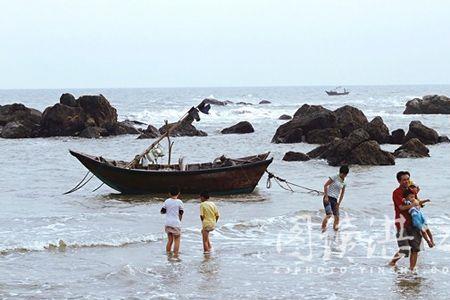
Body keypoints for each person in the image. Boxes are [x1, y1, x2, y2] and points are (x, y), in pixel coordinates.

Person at [389, 171, 423, 271]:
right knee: (404, 248)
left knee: (415, 248)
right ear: (399, 181)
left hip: (414, 222)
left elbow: (418, 205)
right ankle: (392, 262)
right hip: (401, 223)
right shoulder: (396, 192)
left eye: (408, 179)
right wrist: (414, 204)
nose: (406, 181)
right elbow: (402, 207)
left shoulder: (412, 191)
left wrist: (418, 201)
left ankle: (412, 271)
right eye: (404, 180)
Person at [321, 165, 349, 232]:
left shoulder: (344, 181)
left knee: (337, 217)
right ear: (341, 173)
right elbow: (325, 185)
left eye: (345, 175)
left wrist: (338, 203)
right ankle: (323, 229)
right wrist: (326, 196)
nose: (344, 176)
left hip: (335, 200)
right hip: (328, 198)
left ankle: (335, 232)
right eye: (343, 174)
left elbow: (342, 193)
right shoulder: (334, 177)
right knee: (329, 214)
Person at [160, 186, 184, 257]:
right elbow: (181, 213)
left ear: (169, 193)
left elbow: (162, 211)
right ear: (179, 193)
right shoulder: (179, 202)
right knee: (177, 239)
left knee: (170, 240)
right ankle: (175, 255)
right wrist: (180, 221)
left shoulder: (166, 201)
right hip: (176, 223)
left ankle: (168, 254)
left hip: (168, 223)